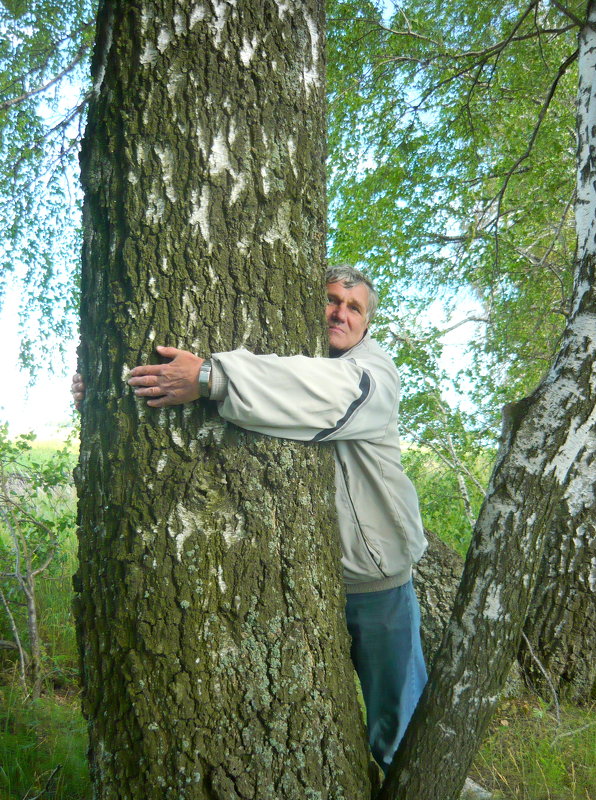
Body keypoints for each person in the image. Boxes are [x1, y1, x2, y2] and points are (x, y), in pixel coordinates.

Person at [71, 264, 428, 773]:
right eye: (331, 300)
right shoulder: (298, 362)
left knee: (397, 732)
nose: (339, 313)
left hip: (379, 585)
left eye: (354, 308)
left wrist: (210, 376)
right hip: (307, 582)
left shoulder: (373, 373)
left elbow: (327, 395)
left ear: (367, 324)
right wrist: (107, 394)